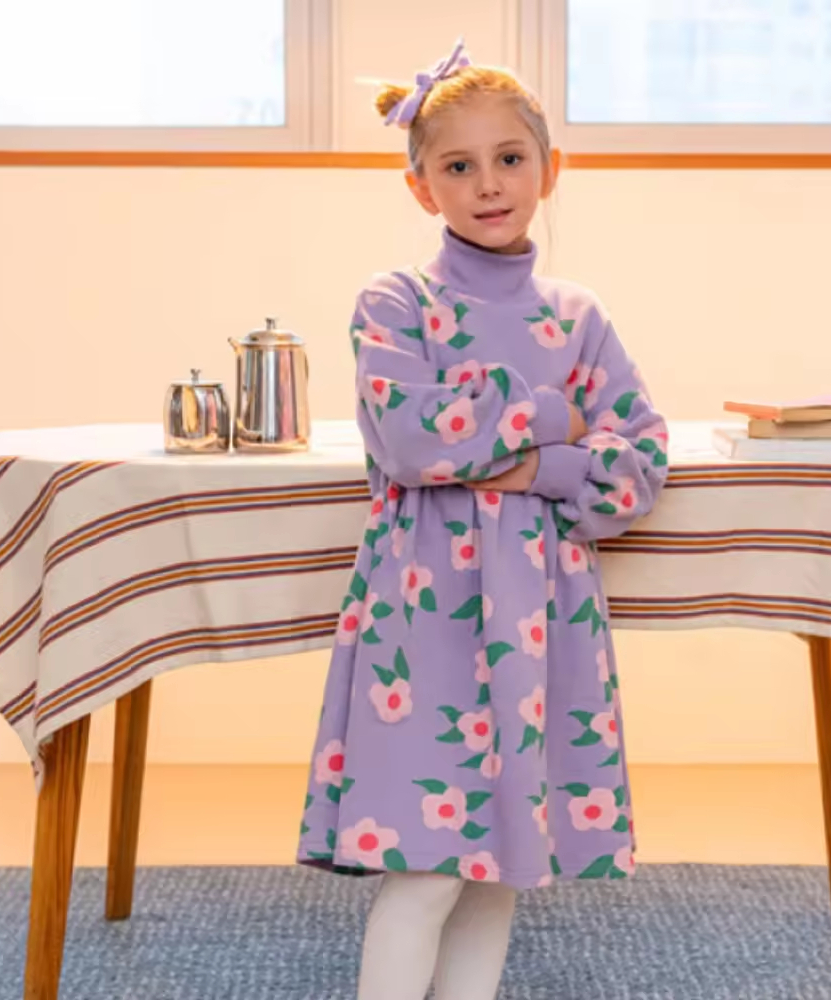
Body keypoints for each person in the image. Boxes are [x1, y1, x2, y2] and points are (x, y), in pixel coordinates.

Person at [296, 38, 669, 1000]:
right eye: (457, 166)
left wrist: (529, 462)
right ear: (422, 188)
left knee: (503, 863)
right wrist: (550, 418)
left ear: (550, 168)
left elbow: (636, 465)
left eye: (509, 158)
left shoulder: (578, 316)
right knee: (425, 868)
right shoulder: (396, 301)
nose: (488, 184)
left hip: (541, 622)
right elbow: (411, 438)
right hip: (425, 621)